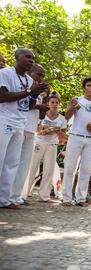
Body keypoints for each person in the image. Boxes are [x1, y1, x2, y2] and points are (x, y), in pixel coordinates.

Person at [0, 48, 48, 208]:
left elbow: (29, 106)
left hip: (20, 125)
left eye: (33, 58)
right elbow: (2, 97)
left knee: (12, 164)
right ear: (17, 57)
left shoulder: (28, 80)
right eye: (28, 57)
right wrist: (29, 91)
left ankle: (4, 199)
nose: (31, 60)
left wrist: (35, 94)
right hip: (4, 121)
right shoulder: (6, 73)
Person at [62, 77, 91, 206]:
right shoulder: (77, 100)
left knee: (86, 169)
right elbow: (66, 116)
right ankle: (66, 197)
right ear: (84, 87)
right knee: (70, 167)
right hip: (75, 136)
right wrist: (72, 107)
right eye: (89, 85)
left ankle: (81, 198)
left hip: (90, 139)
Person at [10, 64, 49, 205]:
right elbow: (25, 105)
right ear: (30, 73)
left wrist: (46, 97)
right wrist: (37, 100)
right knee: (12, 163)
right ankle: (7, 195)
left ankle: (16, 195)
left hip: (31, 130)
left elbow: (42, 114)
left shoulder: (37, 91)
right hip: (20, 127)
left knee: (24, 166)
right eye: (39, 74)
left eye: (43, 75)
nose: (41, 78)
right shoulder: (24, 86)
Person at [25, 93, 67, 202]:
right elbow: (37, 129)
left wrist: (57, 131)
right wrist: (44, 128)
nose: (54, 104)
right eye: (52, 102)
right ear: (48, 103)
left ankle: (44, 196)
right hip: (39, 142)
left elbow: (63, 137)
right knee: (32, 168)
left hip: (52, 144)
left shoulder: (62, 119)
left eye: (56, 103)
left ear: (59, 104)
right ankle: (24, 193)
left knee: (49, 170)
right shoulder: (42, 114)